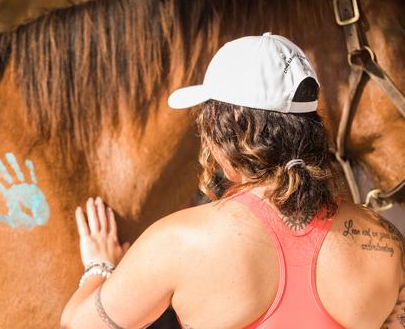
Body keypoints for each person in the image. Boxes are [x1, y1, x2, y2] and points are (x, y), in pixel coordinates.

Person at [60, 33, 405, 328]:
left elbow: (79, 324)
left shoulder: (178, 242)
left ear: (233, 125)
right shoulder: (384, 242)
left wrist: (99, 265)